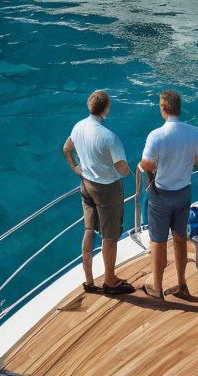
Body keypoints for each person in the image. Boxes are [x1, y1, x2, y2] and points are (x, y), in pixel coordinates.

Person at [63, 90, 135, 295]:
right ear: (106, 108)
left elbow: (66, 149)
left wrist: (76, 168)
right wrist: (127, 173)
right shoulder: (109, 137)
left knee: (88, 229)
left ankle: (88, 280)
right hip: (107, 189)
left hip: (86, 184)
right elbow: (122, 168)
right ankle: (110, 281)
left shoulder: (78, 127)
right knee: (109, 236)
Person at [139, 90, 198, 302]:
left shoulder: (156, 136)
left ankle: (157, 289)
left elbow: (147, 164)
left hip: (161, 195)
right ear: (179, 108)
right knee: (179, 238)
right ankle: (182, 284)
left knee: (158, 242)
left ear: (163, 108)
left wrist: (144, 166)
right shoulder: (195, 132)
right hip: (184, 192)